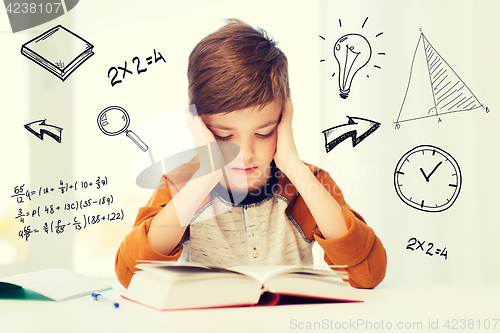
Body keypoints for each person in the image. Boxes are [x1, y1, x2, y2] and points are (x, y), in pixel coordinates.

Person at [115, 19, 386, 289]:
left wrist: (293, 165)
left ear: (284, 116)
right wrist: (203, 177)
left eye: (264, 132)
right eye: (223, 135)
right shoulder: (182, 185)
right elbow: (132, 276)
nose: (244, 154)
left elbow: (367, 274)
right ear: (195, 121)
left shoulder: (307, 184)